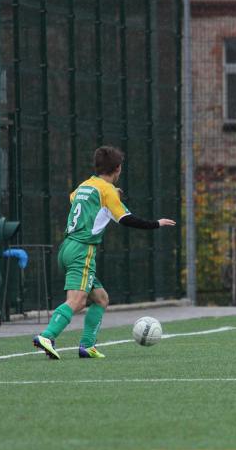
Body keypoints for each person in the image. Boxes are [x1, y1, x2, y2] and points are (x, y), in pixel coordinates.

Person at [32, 146, 175, 360]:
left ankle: (87, 346)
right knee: (78, 300)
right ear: (117, 169)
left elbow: (75, 199)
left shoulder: (84, 186)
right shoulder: (107, 191)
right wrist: (156, 223)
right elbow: (126, 219)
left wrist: (108, 198)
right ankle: (47, 336)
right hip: (83, 250)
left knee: (100, 298)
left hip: (67, 248)